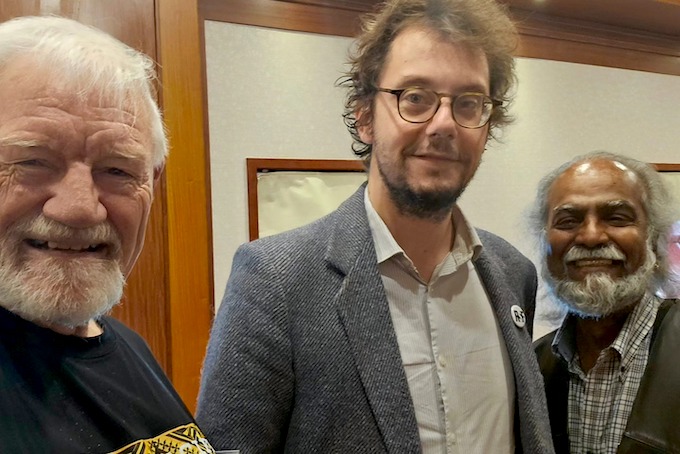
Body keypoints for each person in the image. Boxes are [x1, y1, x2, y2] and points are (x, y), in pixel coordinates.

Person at [197, 0, 554, 452]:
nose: (444, 124)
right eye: (416, 97)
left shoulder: (511, 271)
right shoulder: (275, 280)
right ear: (365, 116)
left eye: (468, 103)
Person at [0, 16, 214, 453]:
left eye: (117, 170)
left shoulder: (119, 344)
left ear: (152, 182)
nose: (80, 208)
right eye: (31, 161)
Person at [531, 151, 680, 453]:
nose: (590, 236)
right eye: (568, 220)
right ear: (544, 241)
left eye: (616, 218)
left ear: (652, 238)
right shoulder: (533, 366)